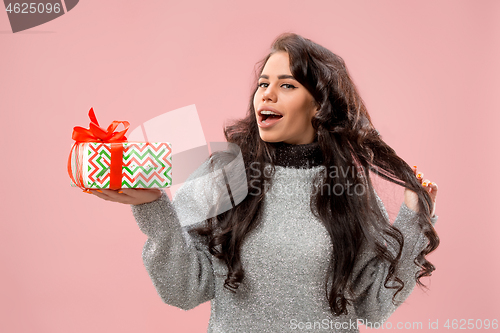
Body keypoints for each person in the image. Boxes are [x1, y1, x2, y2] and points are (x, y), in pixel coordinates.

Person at [90, 33, 439, 332]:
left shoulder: (348, 189)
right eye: (263, 84)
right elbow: (182, 290)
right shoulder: (224, 175)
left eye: (286, 85)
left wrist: (413, 219)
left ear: (319, 104)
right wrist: (152, 207)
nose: (267, 94)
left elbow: (373, 308)